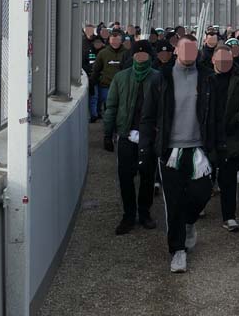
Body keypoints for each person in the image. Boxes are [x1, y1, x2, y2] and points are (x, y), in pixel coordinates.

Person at [139, 36, 214, 274]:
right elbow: (148, 115)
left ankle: (189, 221)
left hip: (199, 148)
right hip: (170, 149)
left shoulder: (206, 77)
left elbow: (215, 114)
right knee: (173, 202)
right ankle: (177, 250)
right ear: (176, 51)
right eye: (184, 48)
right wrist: (146, 147)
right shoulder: (161, 78)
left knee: (202, 192)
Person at [103, 40, 158, 235]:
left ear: (150, 56)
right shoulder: (120, 78)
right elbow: (111, 107)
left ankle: (144, 213)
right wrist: (107, 133)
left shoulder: (158, 78)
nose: (141, 58)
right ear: (132, 56)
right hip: (126, 135)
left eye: (144, 54)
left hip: (149, 136)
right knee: (125, 177)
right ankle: (128, 215)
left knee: (147, 176)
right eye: (137, 54)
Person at [202, 45, 239, 234]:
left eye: (227, 60)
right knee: (205, 175)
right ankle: (200, 204)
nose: (224, 63)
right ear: (213, 60)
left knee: (228, 179)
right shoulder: (204, 79)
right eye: (220, 59)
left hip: (231, 135)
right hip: (208, 135)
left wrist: (235, 120)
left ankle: (229, 216)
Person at [91, 28, 130, 148]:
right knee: (109, 112)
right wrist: (92, 83)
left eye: (117, 40)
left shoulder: (127, 53)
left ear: (121, 41)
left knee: (122, 111)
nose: (115, 43)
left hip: (123, 87)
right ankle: (109, 134)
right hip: (106, 86)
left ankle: (119, 133)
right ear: (109, 41)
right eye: (112, 40)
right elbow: (96, 69)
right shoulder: (103, 53)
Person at [82, 24, 101, 121]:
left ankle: (94, 114)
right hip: (86, 73)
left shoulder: (97, 40)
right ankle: (92, 114)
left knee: (95, 96)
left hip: (96, 73)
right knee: (92, 96)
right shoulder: (81, 42)